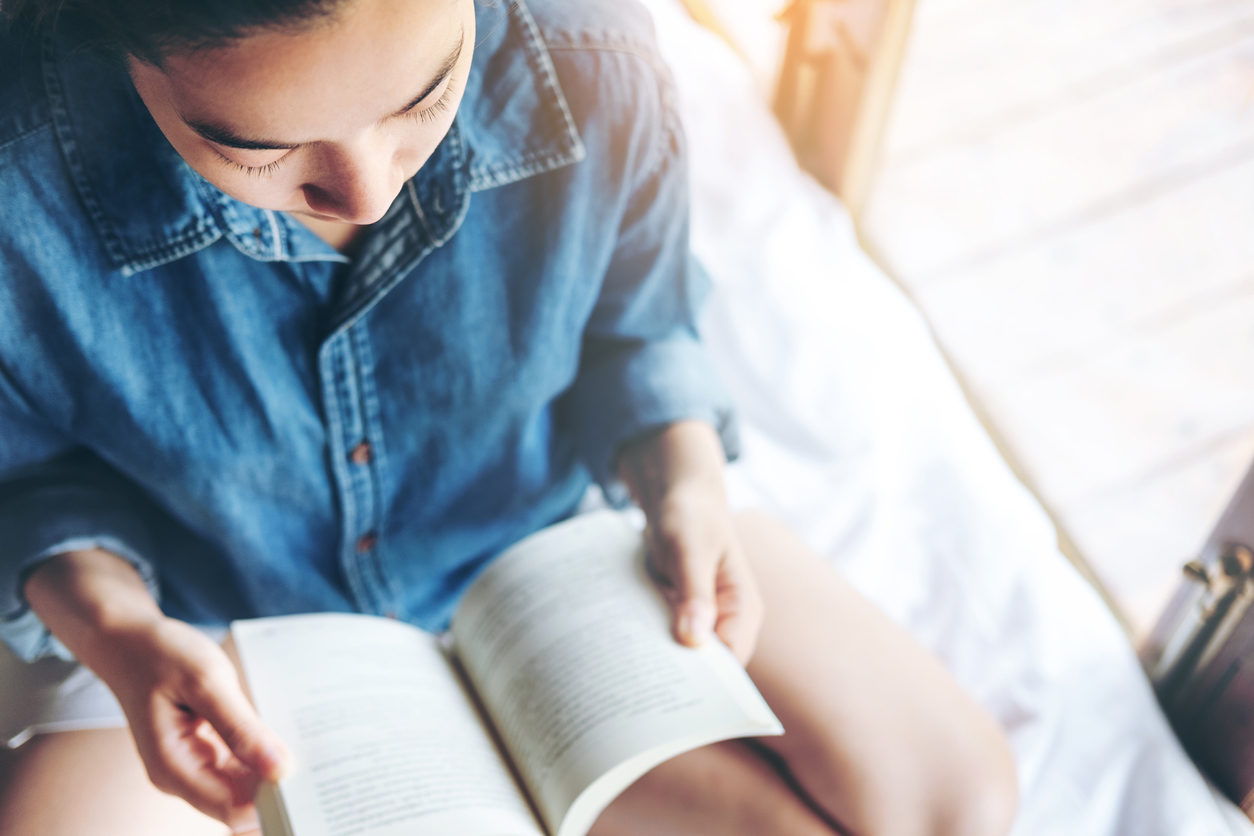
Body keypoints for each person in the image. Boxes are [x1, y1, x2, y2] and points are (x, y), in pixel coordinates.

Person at [0, 0, 1019, 833]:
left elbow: (639, 331)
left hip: (539, 550)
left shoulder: (591, 54)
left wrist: (686, 476)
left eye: (425, 95)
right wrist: (121, 631)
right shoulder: (19, 173)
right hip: (203, 620)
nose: (364, 192)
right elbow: (30, 476)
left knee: (952, 796)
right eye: (258, 150)